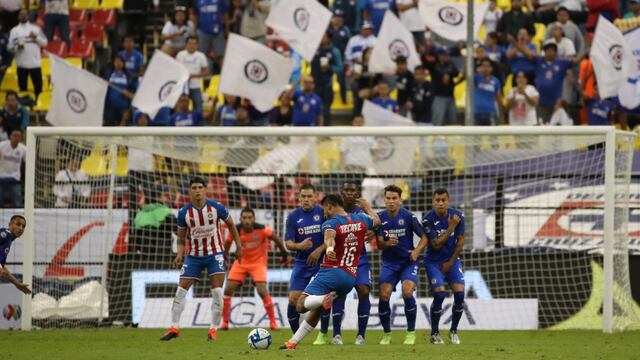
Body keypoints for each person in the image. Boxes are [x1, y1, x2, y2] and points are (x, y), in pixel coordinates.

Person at [280, 194, 380, 350]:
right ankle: (292, 342)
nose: (323, 213)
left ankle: (324, 299)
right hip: (350, 277)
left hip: (331, 273)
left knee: (300, 305)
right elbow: (377, 221)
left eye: (324, 209)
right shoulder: (361, 219)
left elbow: (329, 237)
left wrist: (330, 248)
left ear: (330, 206)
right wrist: (367, 207)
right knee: (317, 310)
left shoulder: (331, 222)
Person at [160, 177, 243, 342]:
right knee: (180, 290)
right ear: (189, 191)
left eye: (200, 187)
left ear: (205, 189)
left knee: (218, 293)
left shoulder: (216, 207)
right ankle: (174, 327)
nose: (197, 190)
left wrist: (239, 246)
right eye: (194, 187)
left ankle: (213, 329)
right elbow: (181, 237)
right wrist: (179, 254)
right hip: (193, 256)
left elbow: (232, 225)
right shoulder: (184, 212)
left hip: (215, 254)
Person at [315, 181, 375, 345]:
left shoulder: (361, 212)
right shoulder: (333, 212)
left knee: (363, 291)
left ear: (357, 193)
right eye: (346, 190)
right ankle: (335, 334)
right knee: (338, 293)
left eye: (352, 190)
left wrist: (372, 233)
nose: (349, 193)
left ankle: (361, 335)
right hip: (339, 260)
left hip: (359, 259)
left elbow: (376, 226)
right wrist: (326, 249)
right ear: (341, 193)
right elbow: (329, 234)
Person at [221, 207, 289, 330]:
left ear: (254, 219)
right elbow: (227, 243)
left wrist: (284, 254)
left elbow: (276, 238)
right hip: (240, 263)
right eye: (244, 218)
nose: (247, 220)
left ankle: (273, 322)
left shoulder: (262, 229)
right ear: (240, 219)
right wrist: (224, 257)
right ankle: (225, 323)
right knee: (228, 289)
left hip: (258, 263)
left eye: (249, 218)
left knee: (262, 290)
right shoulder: (235, 230)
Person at [375, 185, 427, 345]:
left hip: (408, 263)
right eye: (388, 198)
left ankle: (410, 333)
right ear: (384, 200)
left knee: (407, 292)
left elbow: (425, 236)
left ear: (400, 200)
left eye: (394, 198)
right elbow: (379, 244)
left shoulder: (409, 217)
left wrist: (417, 251)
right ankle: (386, 334)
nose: (391, 201)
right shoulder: (379, 218)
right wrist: (386, 243)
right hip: (389, 263)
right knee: (384, 295)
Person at [422, 188, 466, 345]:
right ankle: (434, 333)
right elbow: (435, 244)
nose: (440, 203)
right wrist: (451, 228)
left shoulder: (458, 216)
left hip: (452, 260)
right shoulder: (427, 219)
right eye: (437, 200)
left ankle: (453, 331)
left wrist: (451, 262)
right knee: (440, 294)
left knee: (460, 296)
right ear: (433, 202)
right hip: (433, 261)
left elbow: (460, 242)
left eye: (443, 200)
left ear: (448, 201)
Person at [284, 184, 326, 335]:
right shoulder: (293, 217)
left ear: (316, 197)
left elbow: (333, 237)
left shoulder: (323, 213)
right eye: (303, 196)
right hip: (302, 263)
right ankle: (296, 336)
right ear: (299, 198)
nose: (306, 199)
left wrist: (319, 250)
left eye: (309, 196)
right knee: (293, 300)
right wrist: (299, 246)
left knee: (324, 299)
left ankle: (324, 334)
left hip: (323, 262)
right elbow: (288, 243)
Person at [7, 9, 47, 100]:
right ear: (18, 17)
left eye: (25, 14)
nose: (23, 16)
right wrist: (17, 48)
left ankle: (38, 108)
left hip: (35, 65)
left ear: (28, 16)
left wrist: (36, 38)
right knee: (22, 91)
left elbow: (45, 43)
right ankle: (25, 108)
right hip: (21, 66)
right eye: (21, 14)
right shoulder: (14, 31)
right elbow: (9, 47)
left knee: (38, 90)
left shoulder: (36, 29)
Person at [534, 42, 573, 124]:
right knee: (542, 127)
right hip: (541, 103)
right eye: (548, 50)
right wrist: (514, 43)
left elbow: (575, 61)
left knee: (556, 127)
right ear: (544, 52)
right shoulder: (539, 61)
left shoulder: (561, 63)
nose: (550, 52)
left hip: (556, 103)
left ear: (555, 52)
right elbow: (528, 54)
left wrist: (586, 52)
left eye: (552, 50)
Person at [311, 32, 343, 126]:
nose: (321, 38)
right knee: (313, 108)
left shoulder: (334, 51)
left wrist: (330, 68)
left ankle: (325, 132)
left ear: (329, 38)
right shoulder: (314, 49)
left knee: (325, 109)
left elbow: (340, 68)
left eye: (324, 36)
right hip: (314, 84)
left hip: (326, 85)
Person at [427, 48, 460, 126]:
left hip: (450, 96)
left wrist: (448, 74)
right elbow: (427, 63)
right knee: (437, 120)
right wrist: (444, 74)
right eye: (444, 55)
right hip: (439, 96)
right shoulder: (434, 64)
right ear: (439, 55)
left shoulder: (450, 64)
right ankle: (436, 137)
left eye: (446, 55)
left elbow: (456, 73)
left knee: (452, 121)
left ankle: (452, 138)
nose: (446, 57)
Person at [193, 0, 228, 73]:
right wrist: (195, 29)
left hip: (218, 32)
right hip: (203, 31)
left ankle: (226, 75)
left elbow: (225, 14)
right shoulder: (197, 1)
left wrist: (227, 29)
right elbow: (196, 15)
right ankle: (201, 77)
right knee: (201, 55)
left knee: (221, 56)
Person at [177, 36, 209, 112]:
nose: (192, 46)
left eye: (194, 44)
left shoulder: (201, 56)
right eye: (190, 43)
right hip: (182, 86)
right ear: (186, 44)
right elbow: (176, 69)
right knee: (181, 108)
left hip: (195, 86)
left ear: (197, 45)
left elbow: (206, 72)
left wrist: (193, 76)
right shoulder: (180, 55)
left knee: (198, 108)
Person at [0, 215, 30, 294]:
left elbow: (2, 268)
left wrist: (17, 284)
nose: (21, 228)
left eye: (23, 226)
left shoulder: (8, 240)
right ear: (10, 224)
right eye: (18, 224)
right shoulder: (5, 234)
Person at [104, 55, 134, 126]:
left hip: (123, 108)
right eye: (116, 61)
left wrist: (129, 94)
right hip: (110, 108)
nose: (118, 63)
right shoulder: (108, 75)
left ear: (123, 63)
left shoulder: (128, 76)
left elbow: (133, 93)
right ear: (113, 63)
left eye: (120, 61)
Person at [0, 129, 26, 208]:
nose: (16, 138)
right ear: (10, 136)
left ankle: (17, 219)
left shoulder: (24, 149)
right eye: (14, 135)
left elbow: (28, 162)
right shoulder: (1, 145)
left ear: (21, 138)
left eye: (18, 136)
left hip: (15, 179)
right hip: (1, 177)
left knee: (17, 204)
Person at [474, 58, 503, 126]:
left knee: (492, 135)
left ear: (491, 68)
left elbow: (499, 99)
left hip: (491, 112)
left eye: (487, 66)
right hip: (476, 112)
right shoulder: (475, 78)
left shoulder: (495, 81)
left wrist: (501, 115)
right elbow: (466, 74)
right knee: (476, 136)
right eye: (483, 66)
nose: (485, 68)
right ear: (480, 67)